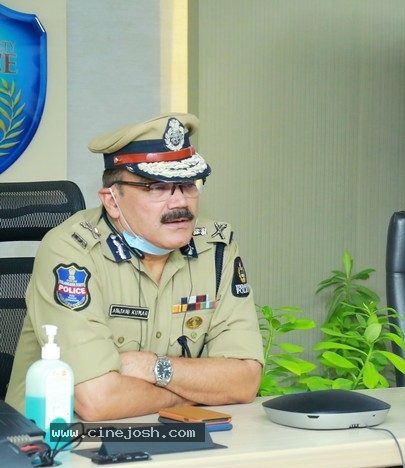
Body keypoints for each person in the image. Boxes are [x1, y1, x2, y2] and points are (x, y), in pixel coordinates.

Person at [6, 113, 264, 420]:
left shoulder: (216, 248)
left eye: (187, 184)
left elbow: (244, 382)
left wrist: (152, 367)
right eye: (156, 187)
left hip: (177, 439)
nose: (179, 203)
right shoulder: (72, 251)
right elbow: (98, 401)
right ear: (112, 201)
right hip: (59, 446)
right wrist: (197, 391)